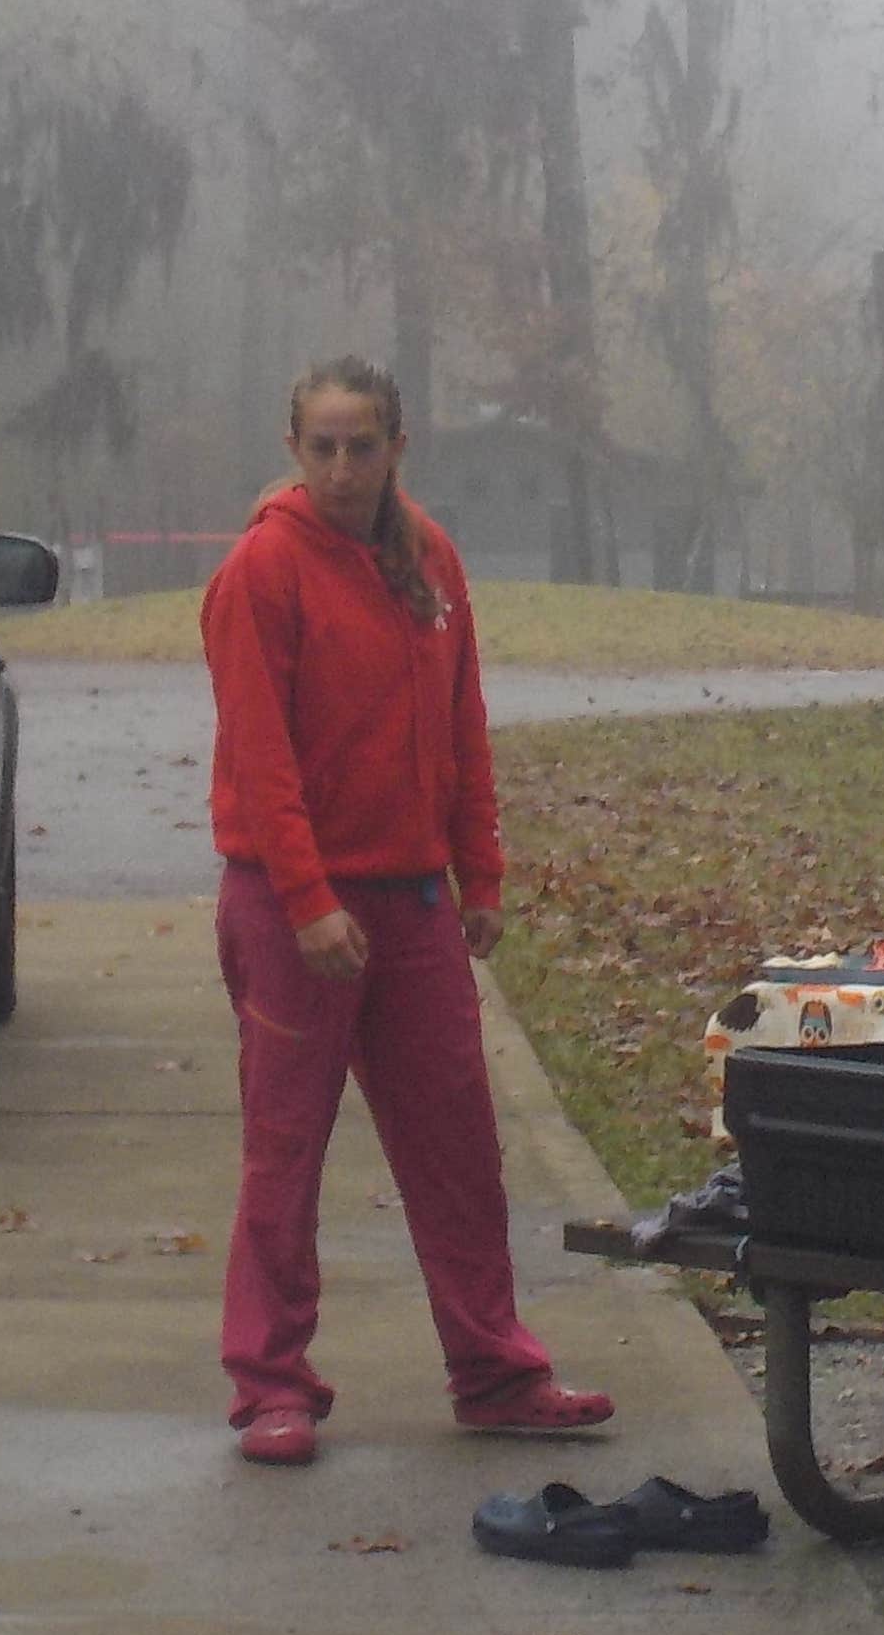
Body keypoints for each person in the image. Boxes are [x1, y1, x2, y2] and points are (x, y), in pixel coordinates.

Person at [199, 359, 613, 1466]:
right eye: (324, 445)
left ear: (397, 446)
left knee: (459, 1144)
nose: (343, 466)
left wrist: (479, 872)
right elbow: (261, 752)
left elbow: (461, 723)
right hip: (294, 912)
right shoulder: (262, 570)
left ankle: (497, 1370)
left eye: (363, 444)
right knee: (284, 1153)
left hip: (416, 899)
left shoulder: (431, 560)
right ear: (295, 444)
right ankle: (270, 1384)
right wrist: (307, 901)